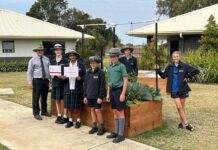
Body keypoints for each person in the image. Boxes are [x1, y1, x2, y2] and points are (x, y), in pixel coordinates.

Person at [156, 51, 199, 131]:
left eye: (177, 56)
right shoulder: (169, 67)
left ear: (180, 57)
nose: (176, 58)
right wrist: (158, 70)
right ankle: (187, 124)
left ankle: (181, 123)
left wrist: (187, 76)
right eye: (174, 57)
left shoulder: (184, 66)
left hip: (183, 89)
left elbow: (196, 71)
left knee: (182, 107)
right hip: (174, 90)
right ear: (172, 58)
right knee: (179, 107)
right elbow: (163, 76)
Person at [106, 48, 128, 143]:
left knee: (120, 112)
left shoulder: (121, 66)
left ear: (118, 57)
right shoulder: (109, 67)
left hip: (119, 91)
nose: (112, 58)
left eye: (114, 56)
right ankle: (116, 132)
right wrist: (107, 94)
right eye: (111, 56)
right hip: (111, 91)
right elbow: (109, 82)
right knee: (114, 112)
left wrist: (123, 93)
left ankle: (121, 134)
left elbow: (125, 80)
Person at [61, 49, 86, 128]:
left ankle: (78, 120)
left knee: (77, 107)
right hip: (68, 88)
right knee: (69, 106)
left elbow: (85, 76)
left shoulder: (81, 65)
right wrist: (63, 77)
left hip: (77, 88)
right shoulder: (65, 66)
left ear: (76, 56)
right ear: (69, 57)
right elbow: (61, 76)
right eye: (71, 55)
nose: (72, 56)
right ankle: (70, 120)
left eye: (74, 55)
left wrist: (80, 78)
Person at [83, 56, 106, 136]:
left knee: (97, 110)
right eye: (91, 63)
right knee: (92, 110)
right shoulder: (88, 72)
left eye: (94, 63)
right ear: (90, 64)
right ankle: (94, 126)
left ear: (97, 63)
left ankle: (101, 127)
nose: (93, 64)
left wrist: (100, 97)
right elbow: (85, 85)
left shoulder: (101, 72)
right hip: (89, 96)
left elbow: (102, 86)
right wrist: (85, 96)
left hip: (97, 97)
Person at [27, 46, 51, 120]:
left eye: (41, 50)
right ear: (36, 51)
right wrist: (30, 82)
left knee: (44, 97)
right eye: (38, 50)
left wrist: (50, 80)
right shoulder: (32, 60)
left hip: (45, 80)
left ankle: (44, 111)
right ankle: (36, 113)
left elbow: (50, 70)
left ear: (43, 51)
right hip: (37, 80)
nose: (40, 51)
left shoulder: (47, 59)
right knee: (36, 97)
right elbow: (29, 72)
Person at [50, 44, 69, 124]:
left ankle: (65, 116)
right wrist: (51, 76)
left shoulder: (65, 61)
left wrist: (63, 76)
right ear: (54, 51)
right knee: (57, 100)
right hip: (55, 83)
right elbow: (50, 71)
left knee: (64, 100)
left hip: (63, 83)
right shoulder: (52, 61)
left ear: (62, 51)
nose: (58, 51)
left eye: (59, 50)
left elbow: (68, 72)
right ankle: (59, 115)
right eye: (56, 50)